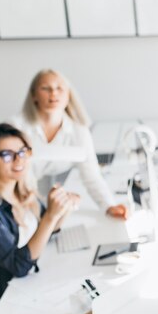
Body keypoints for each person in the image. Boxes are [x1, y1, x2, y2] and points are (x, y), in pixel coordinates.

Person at [0, 123, 119, 314]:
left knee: (106, 312)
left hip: (33, 290)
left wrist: (61, 210)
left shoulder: (20, 192)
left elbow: (42, 235)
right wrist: (50, 217)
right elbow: (18, 264)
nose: (19, 160)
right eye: (7, 154)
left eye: (22, 151)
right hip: (2, 309)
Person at [10, 69, 128, 219]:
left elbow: (92, 176)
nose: (53, 93)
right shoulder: (15, 128)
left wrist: (109, 205)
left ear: (68, 95)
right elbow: (12, 176)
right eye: (46, 88)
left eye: (59, 88)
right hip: (17, 195)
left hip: (49, 200)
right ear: (34, 95)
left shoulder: (79, 131)